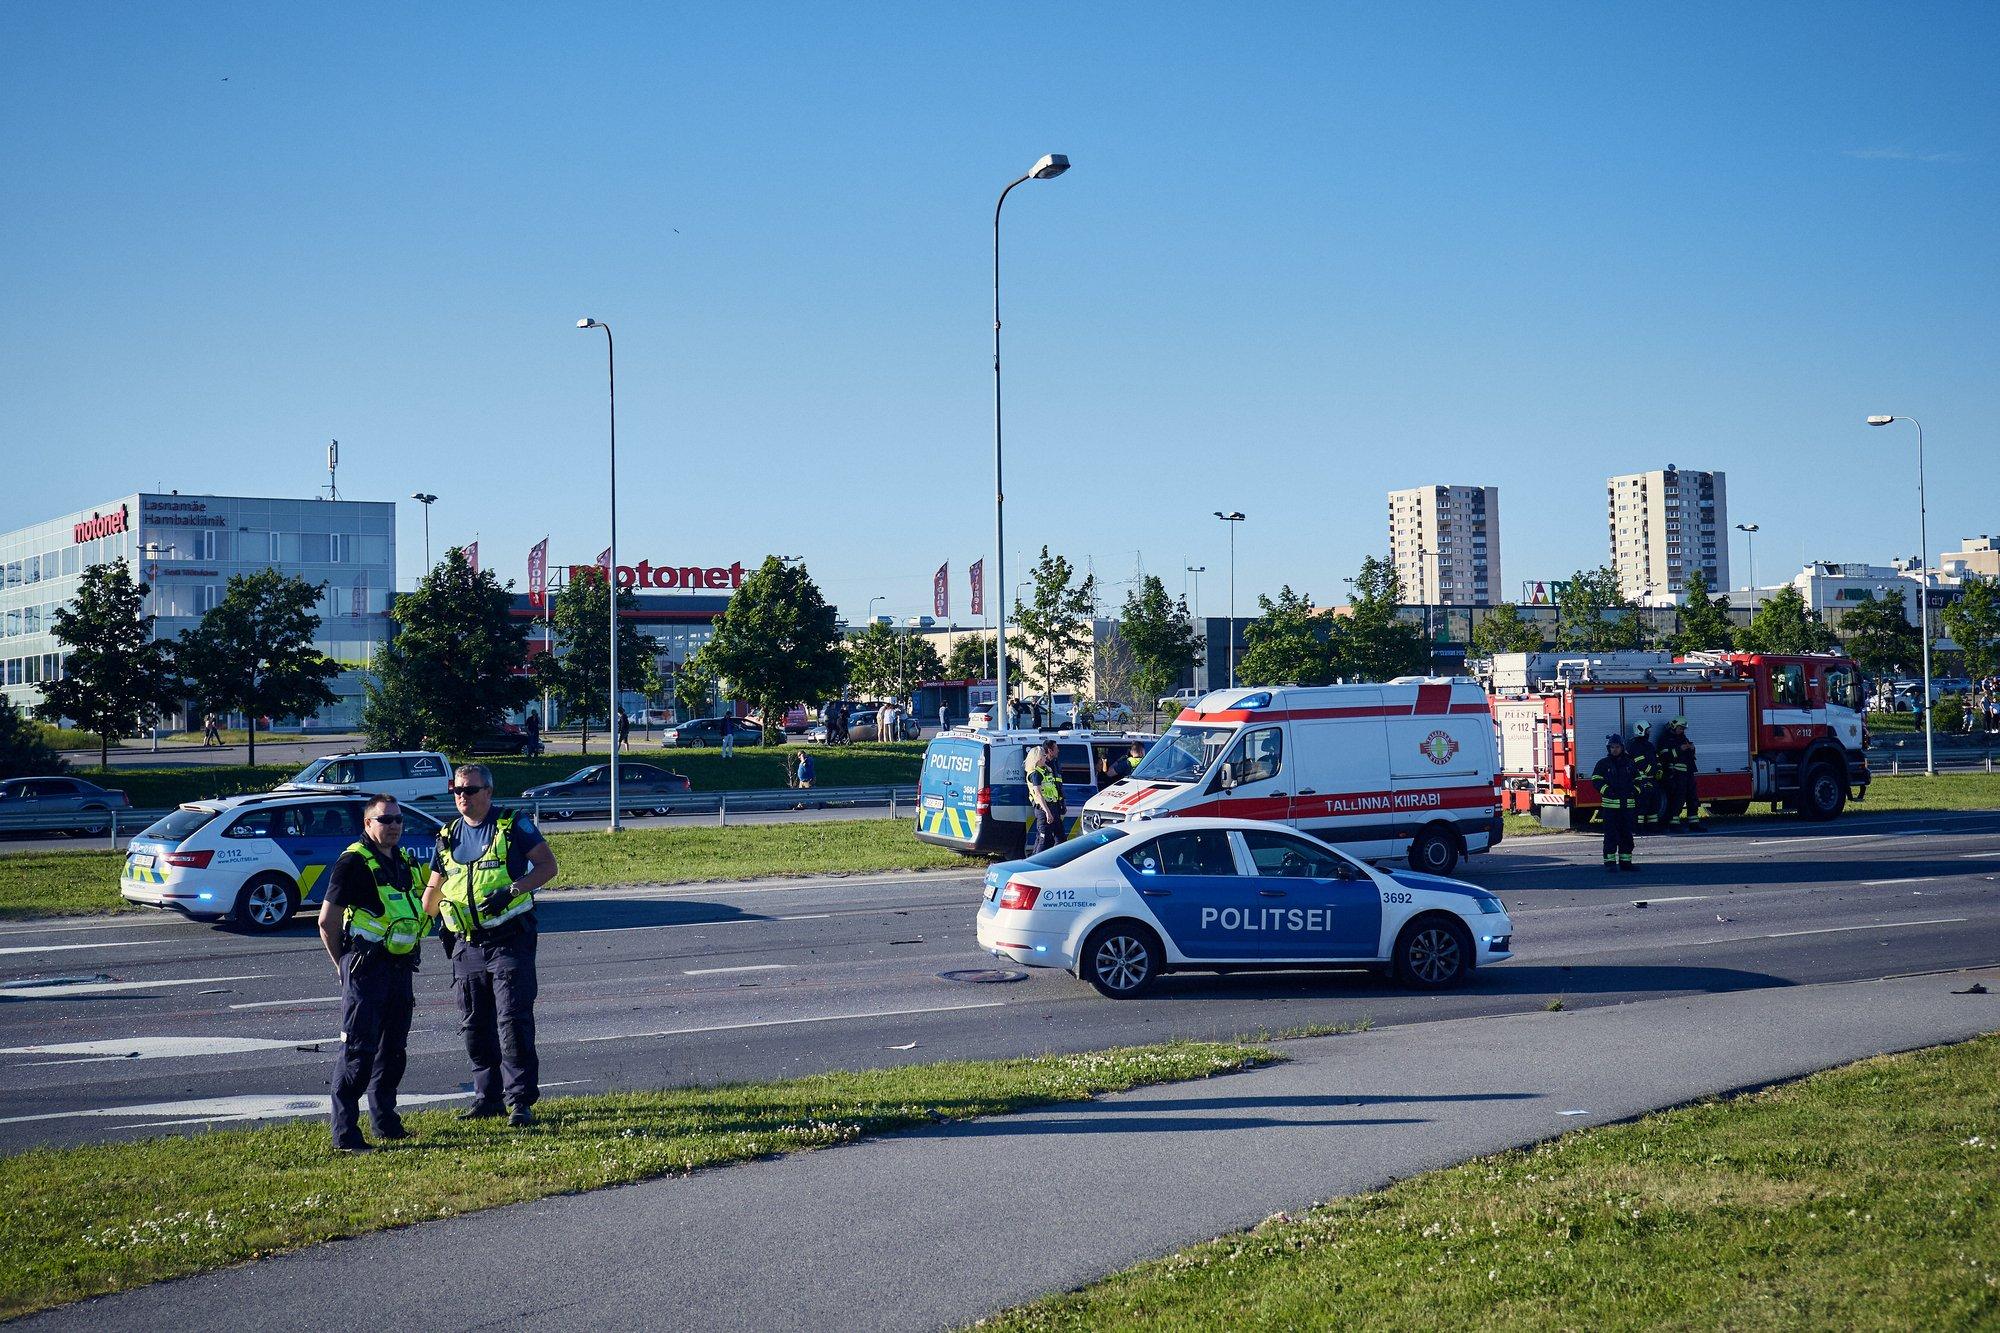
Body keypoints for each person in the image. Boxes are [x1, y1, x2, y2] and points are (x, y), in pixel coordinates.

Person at [424, 764, 558, 1127]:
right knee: (474, 1026)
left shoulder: (512, 825)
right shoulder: (447, 833)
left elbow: (548, 866)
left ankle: (520, 1102)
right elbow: (433, 889)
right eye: (457, 790)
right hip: (465, 945)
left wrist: (512, 891)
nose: (461, 796)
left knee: (512, 1021)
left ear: (488, 792)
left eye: (469, 790)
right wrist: (424, 918)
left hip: (508, 940)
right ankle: (487, 1098)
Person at [319, 795, 430, 1152]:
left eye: (398, 819)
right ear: (368, 824)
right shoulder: (353, 862)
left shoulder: (404, 860)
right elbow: (327, 921)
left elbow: (422, 905)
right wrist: (343, 966)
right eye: (385, 820)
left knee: (393, 1050)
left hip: (399, 969)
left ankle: (386, 1122)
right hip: (365, 968)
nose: (394, 825)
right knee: (358, 1051)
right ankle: (346, 1135)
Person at [1587, 733, 1638, 872]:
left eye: (1617, 747)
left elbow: (1639, 779)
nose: (1614, 750)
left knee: (1626, 836)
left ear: (1622, 747)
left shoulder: (1630, 763)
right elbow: (1596, 780)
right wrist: (1606, 790)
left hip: (1627, 806)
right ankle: (1610, 863)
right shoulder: (1603, 764)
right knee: (1611, 836)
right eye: (1612, 747)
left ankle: (1626, 863)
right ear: (1608, 748)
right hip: (1610, 807)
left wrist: (1636, 790)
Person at [1025, 738, 1066, 852]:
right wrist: (1048, 812)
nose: (1045, 757)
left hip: (1053, 806)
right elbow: (1038, 795)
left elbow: (1054, 788)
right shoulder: (1035, 774)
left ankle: (1056, 861)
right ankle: (1035, 865)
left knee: (1059, 838)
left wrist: (1060, 803)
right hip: (1044, 809)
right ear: (1037, 758)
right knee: (1045, 840)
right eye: (1043, 755)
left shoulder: (1046, 770)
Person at [1662, 721, 1703, 831]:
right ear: (1674, 727)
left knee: (1692, 798)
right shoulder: (1667, 739)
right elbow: (1664, 756)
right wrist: (1680, 749)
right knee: (1678, 799)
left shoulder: (1683, 738)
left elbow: (1691, 756)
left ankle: (1694, 823)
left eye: (1683, 729)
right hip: (1677, 774)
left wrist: (1692, 748)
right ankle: (1674, 824)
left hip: (1688, 773)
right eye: (1680, 728)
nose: (1682, 730)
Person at [1626, 721, 1660, 830]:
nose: (1649, 732)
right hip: (1641, 780)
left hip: (1652, 779)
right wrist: (1651, 771)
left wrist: (1659, 769)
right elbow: (1639, 762)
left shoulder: (1649, 745)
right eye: (1647, 730)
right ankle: (1639, 827)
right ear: (1641, 730)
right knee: (1642, 805)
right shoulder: (1635, 746)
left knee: (1654, 805)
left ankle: (1653, 827)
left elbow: (1656, 758)